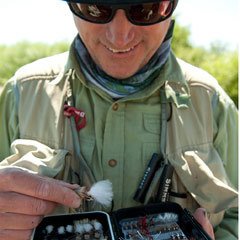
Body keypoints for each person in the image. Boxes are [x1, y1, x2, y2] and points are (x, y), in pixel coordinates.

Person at [0, 0, 238, 239]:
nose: (119, 37)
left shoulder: (211, 101)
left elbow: (235, 217)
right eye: (95, 7)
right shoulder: (20, 93)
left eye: (146, 9)